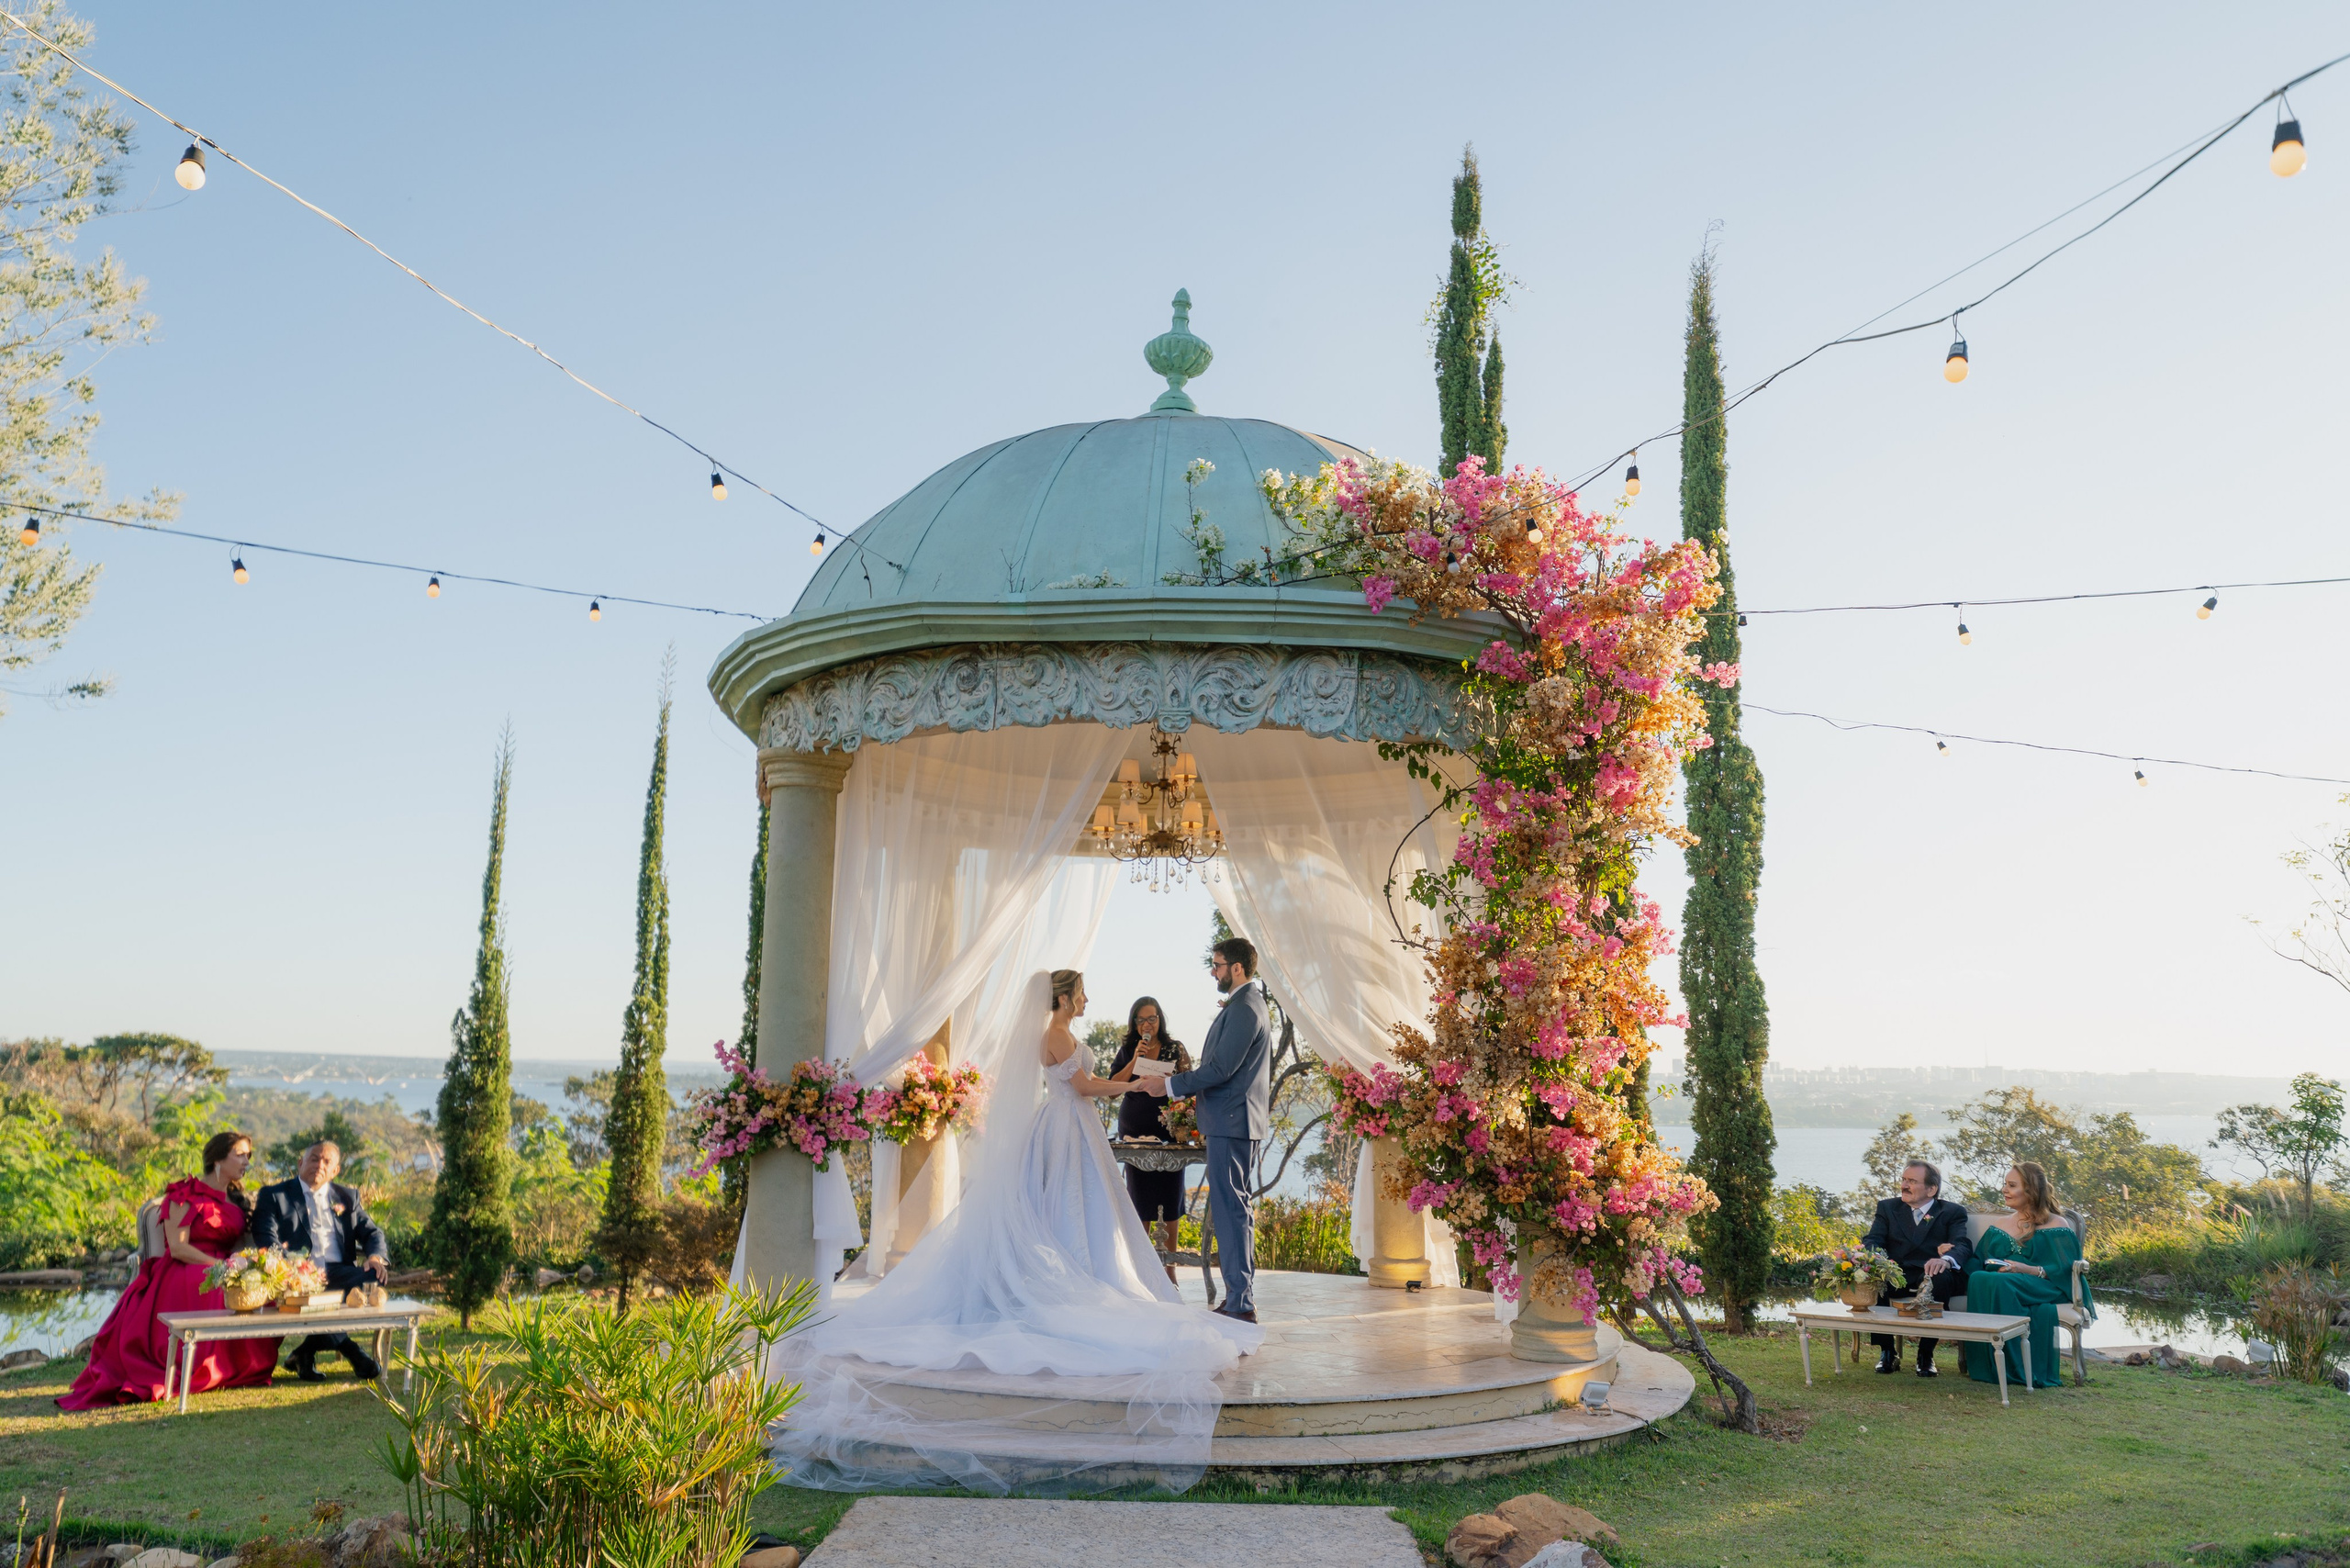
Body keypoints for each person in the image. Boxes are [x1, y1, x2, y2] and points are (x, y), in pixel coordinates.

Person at [770, 967, 1261, 1495]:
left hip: (1078, 1128)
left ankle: (1091, 1269)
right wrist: (1135, 1082)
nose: (1087, 999)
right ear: (1065, 998)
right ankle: (1075, 1277)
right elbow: (1083, 1086)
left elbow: (1088, 1083)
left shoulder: (1063, 1033)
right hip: (1065, 1126)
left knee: (1089, 1209)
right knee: (1067, 1206)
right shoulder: (1053, 1034)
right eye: (1081, 993)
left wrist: (1136, 1080)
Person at [58, 1130, 282, 1410]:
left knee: (257, 1292)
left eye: (249, 1155)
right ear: (217, 1160)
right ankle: (203, 1369)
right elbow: (177, 1248)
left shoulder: (236, 1202)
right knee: (213, 1288)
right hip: (186, 1265)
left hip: (225, 1267)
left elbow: (237, 1246)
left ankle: (241, 1369)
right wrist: (221, 1267)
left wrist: (249, 1266)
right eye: (240, 1154)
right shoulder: (184, 1194)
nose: (246, 1161)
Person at [1146, 935, 1272, 1325]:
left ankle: (1240, 1303)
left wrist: (1167, 1086)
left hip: (1232, 1122)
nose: (1213, 972)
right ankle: (1239, 1298)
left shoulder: (1246, 1008)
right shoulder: (1244, 1005)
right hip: (1235, 1122)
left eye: (1217, 965)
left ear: (1236, 968)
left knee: (1232, 1211)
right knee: (1236, 1210)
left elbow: (1220, 1070)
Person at [249, 1140, 390, 1382]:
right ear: (301, 1162)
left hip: (340, 1271)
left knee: (374, 1276)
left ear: (335, 1171)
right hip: (298, 1275)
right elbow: (266, 1239)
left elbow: (372, 1233)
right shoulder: (275, 1195)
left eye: (327, 1162)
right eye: (314, 1158)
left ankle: (305, 1352)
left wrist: (375, 1257)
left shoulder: (347, 1196)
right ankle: (352, 1351)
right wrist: (292, 1270)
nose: (319, 1165)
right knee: (324, 1292)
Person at [1961, 1160, 2094, 1391]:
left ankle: (2015, 1366)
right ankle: (1988, 1364)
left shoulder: (2057, 1224)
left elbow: (2063, 1270)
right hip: (2006, 1282)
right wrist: (1950, 1254)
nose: (2004, 1190)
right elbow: (1978, 1261)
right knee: (1981, 1278)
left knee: (2000, 1283)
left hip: (2044, 1284)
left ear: (2031, 1190)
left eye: (2012, 1185)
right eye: (2005, 1184)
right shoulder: (2000, 1225)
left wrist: (2024, 1269)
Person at [1861, 1159, 1973, 1376]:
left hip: (1930, 1273)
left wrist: (1946, 1259)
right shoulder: (1888, 1207)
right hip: (1895, 1272)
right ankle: (1887, 1352)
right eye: (1904, 1179)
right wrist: (1878, 1262)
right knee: (1874, 1278)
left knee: (1939, 1278)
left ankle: (1926, 1353)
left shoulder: (1951, 1212)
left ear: (1932, 1189)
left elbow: (1962, 1244)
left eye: (1912, 1181)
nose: (1904, 1185)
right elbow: (1873, 1239)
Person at [1106, 995, 1192, 1275]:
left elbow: (1190, 1087)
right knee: (1140, 1198)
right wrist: (1134, 1060)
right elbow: (1112, 1090)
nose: (1147, 1024)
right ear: (1134, 1022)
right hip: (1135, 1132)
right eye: (1141, 1019)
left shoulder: (1174, 1049)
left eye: (1152, 1018)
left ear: (1160, 1019)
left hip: (1169, 1131)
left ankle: (1170, 1272)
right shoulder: (1129, 1049)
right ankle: (1143, 1272)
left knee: (1170, 1197)